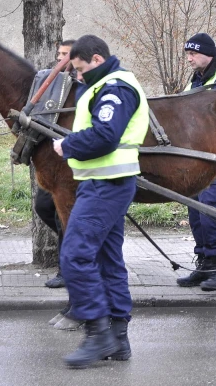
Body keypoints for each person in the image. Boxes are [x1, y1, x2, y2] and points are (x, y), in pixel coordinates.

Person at [52, 34, 146, 368]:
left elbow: (106, 136)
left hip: (107, 185)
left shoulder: (115, 88)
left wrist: (69, 145)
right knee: (107, 259)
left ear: (96, 59)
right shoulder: (104, 84)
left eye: (79, 70)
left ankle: (97, 333)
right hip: (103, 183)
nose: (77, 77)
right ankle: (118, 339)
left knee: (75, 255)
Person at [174, 33, 216, 292]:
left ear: (208, 54)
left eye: (193, 53)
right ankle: (204, 264)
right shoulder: (196, 80)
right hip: (197, 157)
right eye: (187, 53)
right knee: (196, 210)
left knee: (211, 208)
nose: (189, 58)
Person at [37, 38, 76, 290]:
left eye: (67, 55)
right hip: (54, 163)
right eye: (59, 54)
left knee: (67, 213)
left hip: (73, 163)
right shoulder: (52, 84)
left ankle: (66, 268)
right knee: (43, 207)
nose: (61, 60)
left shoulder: (79, 86)